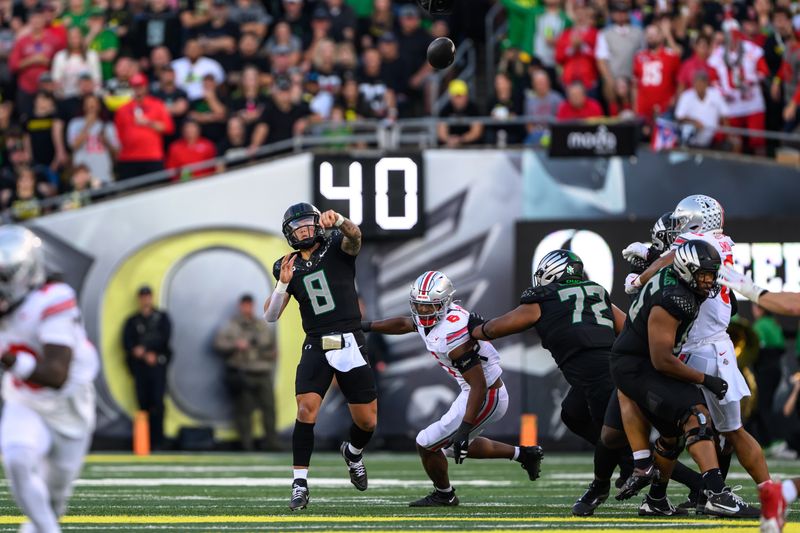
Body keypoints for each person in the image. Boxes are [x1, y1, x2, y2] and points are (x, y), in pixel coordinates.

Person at [627, 195, 770, 513]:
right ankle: (694, 496)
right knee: (703, 428)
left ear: (696, 221)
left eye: (681, 220)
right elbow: (673, 253)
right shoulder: (723, 242)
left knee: (694, 429)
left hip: (701, 347)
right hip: (703, 345)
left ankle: (696, 495)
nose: (677, 226)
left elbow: (670, 258)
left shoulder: (693, 244)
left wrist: (640, 277)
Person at [468, 251, 631, 516]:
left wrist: (476, 329)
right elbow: (628, 329)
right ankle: (630, 465)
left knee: (616, 439)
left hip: (598, 375)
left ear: (551, 272)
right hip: (610, 368)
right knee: (573, 413)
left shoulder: (541, 298)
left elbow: (495, 329)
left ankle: (693, 486)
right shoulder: (596, 291)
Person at [365, 271, 544, 507]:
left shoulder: (452, 335)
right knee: (449, 447)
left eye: (430, 307)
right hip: (475, 390)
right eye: (419, 306)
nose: (423, 312)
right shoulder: (433, 318)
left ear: (445, 303)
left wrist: (464, 430)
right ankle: (525, 454)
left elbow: (478, 384)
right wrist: (365, 326)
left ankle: (444, 494)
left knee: (426, 443)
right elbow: (405, 323)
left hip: (486, 394)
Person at [263, 203, 377, 511]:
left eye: (306, 223)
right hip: (317, 342)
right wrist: (283, 284)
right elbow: (271, 315)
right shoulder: (286, 265)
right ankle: (299, 483)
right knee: (306, 409)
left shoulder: (336, 246)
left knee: (366, 421)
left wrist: (340, 220)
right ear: (289, 233)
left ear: (317, 223)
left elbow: (355, 237)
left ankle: (352, 452)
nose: (303, 229)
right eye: (297, 226)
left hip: (350, 339)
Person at [0, 225, 99, 533]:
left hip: (69, 405)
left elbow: (57, 374)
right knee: (17, 458)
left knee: (55, 499)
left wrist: (8, 358)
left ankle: (41, 526)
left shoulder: (54, 298)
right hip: (24, 400)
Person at [214, 294, 279, 452]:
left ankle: (272, 443)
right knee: (244, 410)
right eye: (244, 305)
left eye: (249, 305)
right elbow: (218, 343)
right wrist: (235, 345)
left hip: (262, 371)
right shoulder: (232, 325)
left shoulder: (262, 325)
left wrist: (265, 354)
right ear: (240, 306)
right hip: (244, 372)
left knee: (269, 408)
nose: (247, 308)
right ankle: (247, 445)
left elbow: (273, 348)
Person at [122, 285, 172, 450]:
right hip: (140, 368)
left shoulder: (161, 318)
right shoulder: (133, 321)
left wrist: (152, 353)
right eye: (142, 296)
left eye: (148, 296)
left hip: (157, 365)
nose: (145, 300)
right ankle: (144, 441)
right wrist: (141, 353)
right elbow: (127, 342)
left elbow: (165, 338)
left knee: (157, 402)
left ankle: (159, 440)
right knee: (142, 403)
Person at [114, 73, 175, 181]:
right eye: (135, 87)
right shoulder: (122, 110)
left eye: (140, 87)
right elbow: (119, 135)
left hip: (152, 156)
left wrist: (148, 122)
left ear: (146, 87)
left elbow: (168, 128)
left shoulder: (157, 105)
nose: (138, 90)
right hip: (129, 159)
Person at [437, 80, 483, 147]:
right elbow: (441, 132)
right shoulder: (445, 109)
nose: (459, 100)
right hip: (450, 147)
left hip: (471, 147)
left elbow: (477, 131)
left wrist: (461, 139)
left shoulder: (473, 108)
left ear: (466, 96)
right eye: (456, 96)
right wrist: (449, 139)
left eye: (461, 96)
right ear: (451, 97)